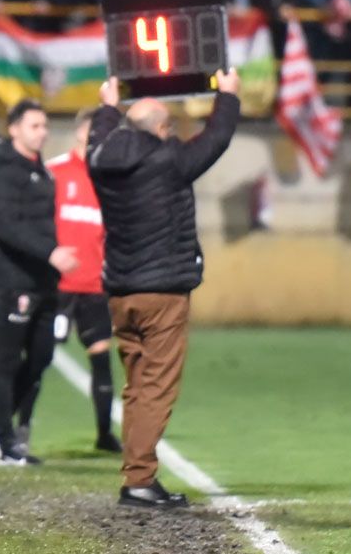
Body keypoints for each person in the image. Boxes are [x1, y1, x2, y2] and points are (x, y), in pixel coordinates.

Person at [85, 70, 240, 508]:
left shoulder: (100, 157)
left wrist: (107, 105)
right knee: (155, 387)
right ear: (159, 128)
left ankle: (137, 473)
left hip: (121, 292)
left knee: (137, 385)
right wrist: (227, 96)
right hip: (163, 294)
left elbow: (99, 134)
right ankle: (139, 479)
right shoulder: (168, 161)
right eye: (168, 126)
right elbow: (216, 139)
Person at [0, 99, 77, 467]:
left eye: (45, 126)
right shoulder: (3, 170)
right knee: (7, 360)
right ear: (14, 128)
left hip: (43, 281)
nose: (43, 132)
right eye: (35, 126)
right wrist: (51, 252)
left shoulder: (41, 171)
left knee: (42, 357)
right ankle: (4, 436)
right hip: (12, 280)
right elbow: (5, 226)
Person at [47, 108, 121, 454]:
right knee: (37, 357)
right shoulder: (55, 172)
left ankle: (105, 434)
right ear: (80, 132)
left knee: (101, 356)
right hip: (57, 286)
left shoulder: (112, 179)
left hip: (94, 285)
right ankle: (17, 428)